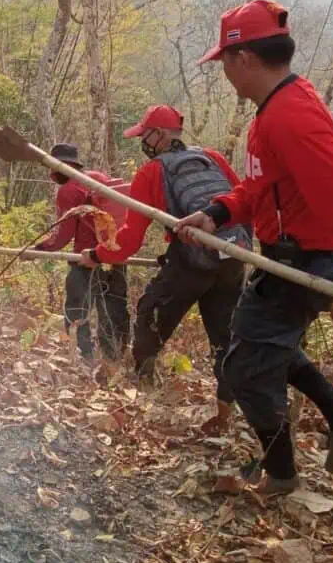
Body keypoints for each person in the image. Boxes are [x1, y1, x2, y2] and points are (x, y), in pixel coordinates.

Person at [175, 0, 333, 494]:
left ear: (245, 59)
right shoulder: (276, 109)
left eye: (225, 61)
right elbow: (264, 187)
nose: (224, 72)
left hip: (309, 261)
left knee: (245, 368)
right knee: (266, 348)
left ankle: (281, 476)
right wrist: (217, 212)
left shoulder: (288, 118)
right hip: (285, 255)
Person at [77, 105, 251, 431]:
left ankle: (145, 394)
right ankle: (227, 414)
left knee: (149, 314)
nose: (142, 141)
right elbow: (245, 201)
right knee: (225, 339)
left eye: (145, 134)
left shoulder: (151, 172)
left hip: (190, 263)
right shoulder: (214, 158)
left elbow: (129, 238)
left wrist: (97, 256)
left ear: (159, 134)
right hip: (234, 258)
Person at [36, 143, 130, 363]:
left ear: (58, 167)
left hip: (85, 259)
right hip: (116, 256)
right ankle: (114, 359)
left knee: (77, 308)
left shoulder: (68, 190)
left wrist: (38, 248)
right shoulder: (97, 178)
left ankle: (84, 357)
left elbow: (62, 236)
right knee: (113, 307)